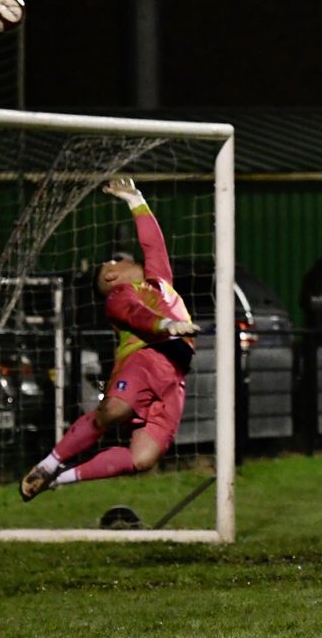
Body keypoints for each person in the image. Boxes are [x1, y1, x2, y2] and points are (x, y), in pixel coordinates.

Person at [19, 177, 200, 502]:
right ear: (110, 277)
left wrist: (136, 200)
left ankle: (61, 479)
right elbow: (138, 316)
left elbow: (153, 245)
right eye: (115, 261)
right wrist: (167, 325)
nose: (125, 260)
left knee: (142, 459)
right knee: (114, 411)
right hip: (145, 360)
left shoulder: (159, 282)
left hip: (174, 376)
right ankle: (49, 463)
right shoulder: (118, 296)